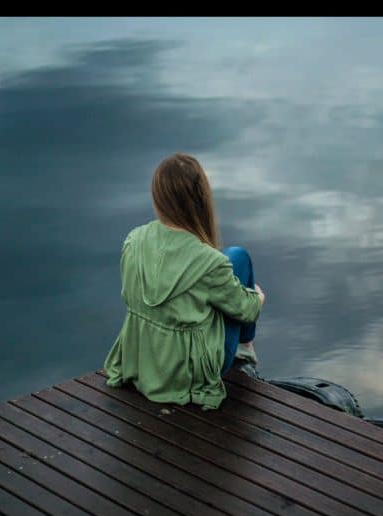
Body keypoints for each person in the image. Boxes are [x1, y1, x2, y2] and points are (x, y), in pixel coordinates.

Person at [103, 153, 266, 410]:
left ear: (158, 197)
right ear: (201, 199)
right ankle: (245, 349)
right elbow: (248, 310)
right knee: (238, 257)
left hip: (145, 360)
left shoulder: (133, 240)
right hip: (187, 374)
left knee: (229, 261)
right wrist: (257, 297)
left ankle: (243, 346)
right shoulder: (210, 262)